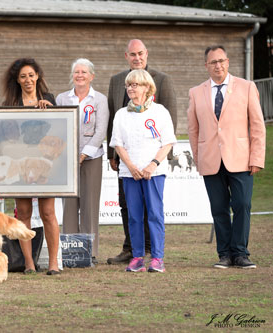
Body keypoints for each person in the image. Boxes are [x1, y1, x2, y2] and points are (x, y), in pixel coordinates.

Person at [187, 45, 266, 269]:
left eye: (221, 61)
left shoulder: (247, 87)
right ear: (206, 66)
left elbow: (258, 126)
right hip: (211, 160)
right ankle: (224, 254)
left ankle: (240, 253)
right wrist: (198, 156)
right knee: (219, 208)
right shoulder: (196, 92)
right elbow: (193, 130)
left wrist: (257, 157)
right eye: (213, 62)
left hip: (241, 158)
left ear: (228, 62)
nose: (218, 65)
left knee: (242, 204)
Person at [106, 39, 178, 265]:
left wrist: (155, 162)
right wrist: (117, 158)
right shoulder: (118, 90)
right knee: (130, 209)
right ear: (126, 56)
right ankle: (133, 252)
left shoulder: (162, 89)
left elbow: (169, 131)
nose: (137, 58)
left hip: (153, 166)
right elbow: (114, 128)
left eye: (140, 53)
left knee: (153, 211)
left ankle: (154, 253)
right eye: (132, 54)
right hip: (127, 166)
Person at [2, 58, 60, 275]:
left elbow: (59, 129)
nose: (28, 80)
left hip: (45, 164)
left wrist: (51, 111)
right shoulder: (10, 104)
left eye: (31, 75)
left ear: (38, 76)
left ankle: (53, 263)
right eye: (23, 76)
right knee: (23, 213)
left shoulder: (50, 99)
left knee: (48, 213)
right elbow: (7, 137)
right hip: (21, 164)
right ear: (17, 80)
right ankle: (29, 263)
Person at [56, 58, 108, 264]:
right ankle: (70, 252)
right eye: (76, 72)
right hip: (66, 159)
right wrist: (68, 154)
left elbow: (101, 130)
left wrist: (84, 154)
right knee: (69, 204)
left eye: (84, 72)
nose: (80, 75)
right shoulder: (62, 98)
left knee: (89, 205)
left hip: (92, 158)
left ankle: (89, 252)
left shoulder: (100, 100)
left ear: (91, 76)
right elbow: (58, 127)